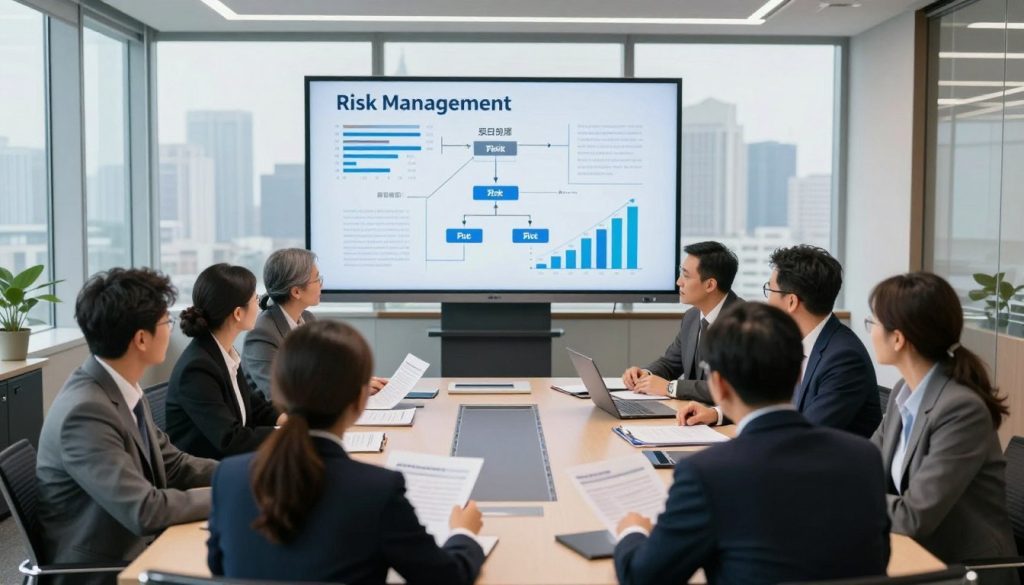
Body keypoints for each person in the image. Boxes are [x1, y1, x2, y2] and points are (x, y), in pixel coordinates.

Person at [614, 302, 891, 585]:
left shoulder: (705, 475)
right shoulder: (865, 457)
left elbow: (642, 578)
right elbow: (878, 560)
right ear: (798, 374)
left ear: (718, 386)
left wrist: (632, 532)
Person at [207, 320, 486, 584]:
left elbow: (218, 569)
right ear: (361, 400)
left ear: (279, 394)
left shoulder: (228, 478)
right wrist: (463, 533)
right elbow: (447, 578)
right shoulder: (377, 492)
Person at [36, 268, 217, 585]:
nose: (170, 329)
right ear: (141, 339)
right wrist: (234, 493)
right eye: (166, 323)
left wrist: (248, 473)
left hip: (137, 548)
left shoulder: (120, 387)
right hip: (105, 570)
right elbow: (145, 511)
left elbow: (172, 463)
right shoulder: (85, 412)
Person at [868, 272, 1018, 576]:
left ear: (898, 338)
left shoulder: (961, 410)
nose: (870, 332)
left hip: (966, 570)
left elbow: (914, 516)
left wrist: (849, 497)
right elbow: (864, 463)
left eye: (873, 323)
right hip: (918, 554)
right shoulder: (903, 391)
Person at [678, 245, 881, 437]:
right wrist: (717, 414)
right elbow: (767, 403)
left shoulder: (843, 358)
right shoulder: (791, 343)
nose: (767, 300)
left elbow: (805, 433)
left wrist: (740, 436)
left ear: (791, 301)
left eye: (770, 290)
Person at [166, 263, 284, 459]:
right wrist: (288, 434)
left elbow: (255, 407)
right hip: (208, 473)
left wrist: (289, 419)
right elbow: (230, 439)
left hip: (234, 461)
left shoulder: (224, 352)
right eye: (255, 298)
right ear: (238, 313)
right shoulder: (197, 369)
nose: (258, 304)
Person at [242, 248, 388, 399]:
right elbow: (279, 395)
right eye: (317, 279)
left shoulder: (307, 318)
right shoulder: (262, 333)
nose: (321, 285)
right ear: (296, 292)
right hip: (276, 420)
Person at [621, 241, 741, 420]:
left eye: (686, 275)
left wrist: (670, 388)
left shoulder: (744, 323)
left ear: (710, 285)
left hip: (725, 423)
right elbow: (670, 363)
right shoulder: (692, 317)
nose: (678, 282)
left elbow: (731, 388)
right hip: (689, 418)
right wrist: (645, 375)